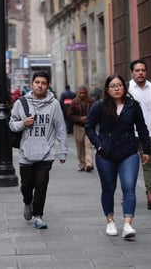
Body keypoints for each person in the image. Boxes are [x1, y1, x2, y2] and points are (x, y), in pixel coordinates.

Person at [85, 74, 151, 239]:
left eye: (119, 85)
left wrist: (147, 150)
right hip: (105, 154)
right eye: (113, 86)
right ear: (107, 89)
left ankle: (128, 224)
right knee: (108, 189)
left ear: (124, 87)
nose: (116, 88)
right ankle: (110, 221)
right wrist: (98, 144)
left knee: (129, 188)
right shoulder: (99, 106)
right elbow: (89, 127)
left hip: (128, 153)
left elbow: (142, 128)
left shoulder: (132, 106)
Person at [9, 71, 68, 229]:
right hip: (26, 153)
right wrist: (23, 123)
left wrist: (63, 150)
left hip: (46, 153)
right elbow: (11, 124)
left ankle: (38, 216)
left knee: (41, 185)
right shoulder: (21, 103)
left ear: (47, 86)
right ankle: (27, 202)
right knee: (26, 186)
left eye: (43, 83)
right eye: (37, 82)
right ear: (32, 84)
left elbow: (60, 127)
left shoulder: (54, 104)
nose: (40, 85)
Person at [128, 59, 151, 210]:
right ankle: (128, 193)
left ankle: (150, 193)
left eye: (143, 70)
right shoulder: (126, 88)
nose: (140, 73)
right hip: (130, 134)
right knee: (129, 165)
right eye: (137, 70)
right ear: (132, 72)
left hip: (150, 133)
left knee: (148, 164)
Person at [67, 86, 95, 172]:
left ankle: (89, 164)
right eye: (80, 93)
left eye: (84, 93)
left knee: (88, 145)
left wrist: (89, 118)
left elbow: (95, 112)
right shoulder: (74, 102)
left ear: (86, 93)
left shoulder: (91, 102)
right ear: (77, 93)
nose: (82, 94)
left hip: (88, 126)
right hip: (78, 126)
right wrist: (79, 118)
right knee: (80, 146)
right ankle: (82, 164)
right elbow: (69, 115)